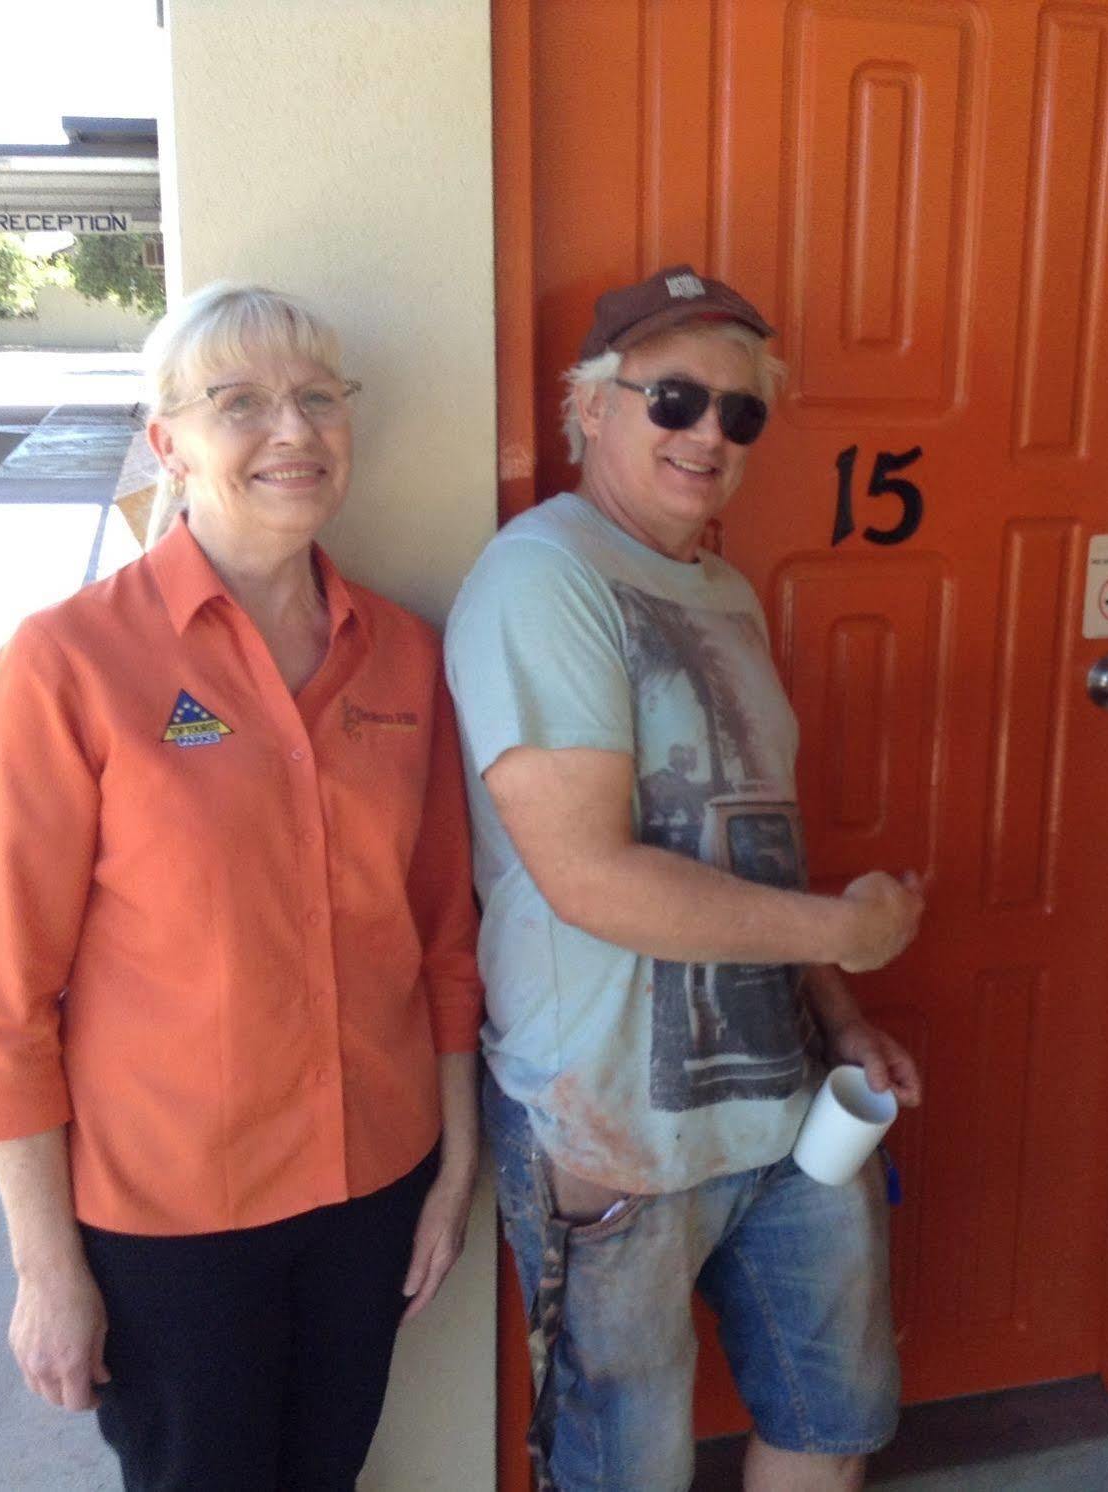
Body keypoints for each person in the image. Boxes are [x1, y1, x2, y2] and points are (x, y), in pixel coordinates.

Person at [0, 282, 484, 1490]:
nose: (292, 432)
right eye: (239, 403)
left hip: (372, 1184)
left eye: (317, 400)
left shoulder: (404, 655)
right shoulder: (64, 665)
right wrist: (46, 1268)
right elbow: (1, 1000)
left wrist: (454, 1165)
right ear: (168, 442)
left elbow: (444, 936)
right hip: (169, 1220)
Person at [445, 264, 924, 1492]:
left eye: (739, 411)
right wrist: (847, 930)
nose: (708, 432)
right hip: (611, 1127)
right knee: (625, 1471)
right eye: (673, 399)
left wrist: (841, 1009)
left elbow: (754, 835)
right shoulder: (540, 576)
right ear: (590, 408)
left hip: (785, 1106)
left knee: (832, 1417)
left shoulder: (723, 593)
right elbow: (589, 878)